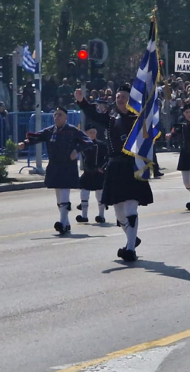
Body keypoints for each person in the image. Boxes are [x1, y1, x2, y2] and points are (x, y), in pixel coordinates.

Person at [76, 85, 152, 262]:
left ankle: (131, 248)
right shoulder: (111, 120)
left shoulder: (139, 119)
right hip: (115, 167)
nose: (120, 100)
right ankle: (132, 239)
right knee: (119, 212)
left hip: (133, 165)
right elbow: (93, 115)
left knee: (131, 207)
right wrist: (82, 101)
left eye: (124, 97)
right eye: (118, 97)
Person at [19, 107, 93, 234]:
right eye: (55, 115)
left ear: (66, 117)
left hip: (67, 166)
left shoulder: (72, 130)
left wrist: (76, 150)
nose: (56, 117)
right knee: (59, 196)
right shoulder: (49, 131)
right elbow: (37, 137)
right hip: (54, 166)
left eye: (60, 115)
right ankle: (66, 222)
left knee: (64, 194)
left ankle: (62, 223)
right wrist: (25, 143)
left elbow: (88, 141)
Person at [78, 125, 109, 223]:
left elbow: (107, 158)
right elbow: (85, 161)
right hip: (88, 173)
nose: (92, 134)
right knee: (84, 194)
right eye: (90, 132)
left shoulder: (101, 145)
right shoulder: (83, 145)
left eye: (94, 132)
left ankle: (101, 216)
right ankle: (84, 216)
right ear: (86, 133)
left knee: (99, 195)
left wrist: (101, 168)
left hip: (99, 174)